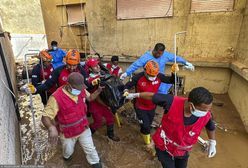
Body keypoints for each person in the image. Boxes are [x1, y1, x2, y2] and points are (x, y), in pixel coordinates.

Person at [126, 87, 217, 168]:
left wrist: (212, 142)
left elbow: (210, 127)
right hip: (164, 146)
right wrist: (134, 95)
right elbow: (152, 96)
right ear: (191, 106)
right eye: (204, 110)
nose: (207, 112)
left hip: (183, 150)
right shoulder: (171, 102)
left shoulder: (206, 115)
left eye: (208, 109)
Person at [41, 72, 102, 168]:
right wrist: (51, 127)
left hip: (83, 127)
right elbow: (45, 116)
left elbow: (89, 98)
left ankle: (96, 163)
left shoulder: (81, 89)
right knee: (68, 151)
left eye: (80, 88)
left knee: (90, 149)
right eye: (77, 88)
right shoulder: (56, 98)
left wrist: (98, 91)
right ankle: (67, 158)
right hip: (67, 133)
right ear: (68, 85)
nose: (80, 90)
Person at [124, 60, 176, 145]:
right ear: (145, 71)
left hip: (152, 106)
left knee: (148, 122)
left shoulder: (159, 76)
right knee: (146, 125)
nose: (152, 77)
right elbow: (127, 85)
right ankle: (147, 143)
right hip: (140, 106)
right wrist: (126, 91)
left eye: (154, 75)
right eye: (150, 75)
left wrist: (173, 73)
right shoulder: (138, 77)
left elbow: (171, 80)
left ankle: (144, 131)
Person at [120, 43, 194, 94]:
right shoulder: (146, 57)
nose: (159, 55)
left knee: (161, 92)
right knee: (148, 93)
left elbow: (176, 58)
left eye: (161, 54)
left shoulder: (165, 55)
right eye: (158, 53)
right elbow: (136, 65)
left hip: (159, 76)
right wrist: (126, 73)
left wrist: (186, 62)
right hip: (148, 77)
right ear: (154, 50)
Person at [24, 49, 89, 95]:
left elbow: (87, 86)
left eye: (74, 65)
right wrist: (35, 89)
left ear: (78, 63)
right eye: (69, 65)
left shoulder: (82, 72)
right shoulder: (59, 71)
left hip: (78, 100)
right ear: (66, 62)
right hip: (63, 100)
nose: (71, 68)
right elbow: (47, 84)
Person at [86, 58, 120, 141]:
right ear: (90, 69)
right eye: (94, 66)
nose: (97, 67)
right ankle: (88, 135)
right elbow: (96, 97)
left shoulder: (102, 74)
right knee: (98, 122)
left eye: (97, 65)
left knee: (110, 118)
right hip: (95, 104)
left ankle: (110, 134)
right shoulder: (90, 80)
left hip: (104, 103)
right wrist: (107, 104)